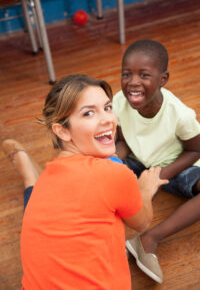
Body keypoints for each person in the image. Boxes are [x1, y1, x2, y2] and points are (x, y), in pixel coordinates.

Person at [2, 74, 168, 290]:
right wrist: (145, 189)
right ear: (62, 130)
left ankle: (29, 174)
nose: (108, 119)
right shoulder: (115, 174)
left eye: (108, 108)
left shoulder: (51, 178)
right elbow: (142, 223)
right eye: (89, 113)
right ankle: (28, 172)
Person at [113, 39, 200, 284]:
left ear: (163, 79)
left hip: (175, 165)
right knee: (97, 172)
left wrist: (158, 177)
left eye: (144, 75)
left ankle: (149, 239)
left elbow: (195, 150)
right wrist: (113, 162)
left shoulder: (179, 114)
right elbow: (124, 140)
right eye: (126, 74)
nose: (133, 82)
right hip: (138, 160)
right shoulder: (120, 101)